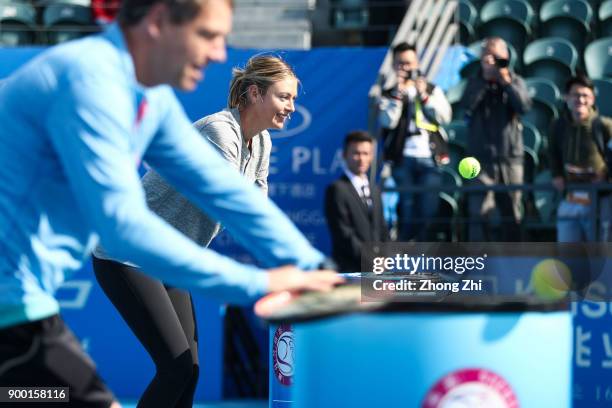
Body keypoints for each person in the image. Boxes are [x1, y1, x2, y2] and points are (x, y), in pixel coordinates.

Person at [0, 0, 342, 406]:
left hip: (22, 303)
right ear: (159, 23)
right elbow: (124, 228)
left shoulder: (149, 99)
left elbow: (232, 196)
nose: (219, 54)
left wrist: (310, 266)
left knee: (176, 372)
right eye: (208, 35)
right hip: (19, 303)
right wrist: (260, 284)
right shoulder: (90, 82)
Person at [91, 54, 298, 407]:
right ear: (254, 93)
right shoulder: (219, 131)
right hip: (127, 253)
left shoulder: (261, 142)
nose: (291, 107)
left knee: (189, 371)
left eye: (294, 99)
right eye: (284, 97)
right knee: (176, 367)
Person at [458, 37, 531, 242]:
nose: (493, 62)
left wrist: (506, 82)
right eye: (488, 57)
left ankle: (513, 263)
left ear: (506, 58)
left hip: (510, 157)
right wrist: (485, 79)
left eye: (498, 58)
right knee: (479, 214)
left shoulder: (515, 81)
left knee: (512, 215)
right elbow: (466, 108)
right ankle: (479, 264)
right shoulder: (475, 81)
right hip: (480, 160)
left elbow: (524, 107)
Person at [379, 42, 452, 241]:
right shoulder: (389, 93)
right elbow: (387, 121)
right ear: (394, 66)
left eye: (409, 63)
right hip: (403, 158)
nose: (405, 68)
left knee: (428, 210)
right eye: (400, 64)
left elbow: (445, 117)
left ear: (417, 63)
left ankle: (423, 256)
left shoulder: (431, 89)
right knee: (408, 210)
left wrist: (425, 96)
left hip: (430, 157)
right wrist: (397, 97)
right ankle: (404, 256)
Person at [549, 74, 612, 242]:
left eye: (585, 95)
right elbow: (553, 152)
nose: (580, 100)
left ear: (592, 99)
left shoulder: (604, 125)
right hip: (570, 197)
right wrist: (557, 174)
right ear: (566, 97)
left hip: (599, 200)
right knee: (569, 255)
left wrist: (605, 174)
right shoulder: (558, 126)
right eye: (576, 95)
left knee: (600, 255)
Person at [325, 131, 389, 272]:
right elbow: (343, 233)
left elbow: (382, 228)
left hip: (376, 271)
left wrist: (385, 257)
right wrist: (371, 259)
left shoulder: (375, 190)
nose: (361, 159)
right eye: (356, 153)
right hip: (349, 270)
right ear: (344, 155)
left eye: (366, 154)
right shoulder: (337, 189)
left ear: (372, 157)